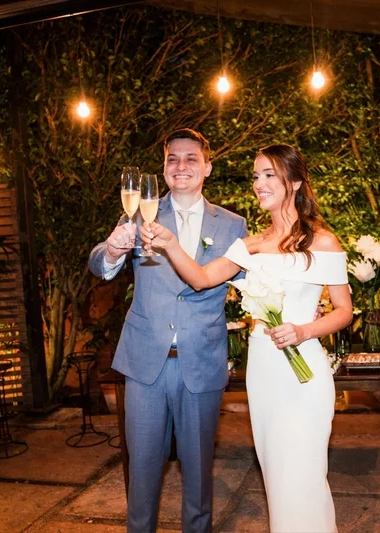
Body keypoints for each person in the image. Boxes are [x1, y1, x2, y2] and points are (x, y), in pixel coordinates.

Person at [141, 144, 353, 533]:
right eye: (256, 176)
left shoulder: (323, 242)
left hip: (304, 373)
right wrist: (171, 244)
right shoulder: (251, 244)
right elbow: (202, 278)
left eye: (269, 174)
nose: (259, 184)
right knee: (276, 477)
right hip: (264, 371)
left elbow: (344, 311)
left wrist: (304, 329)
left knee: (303, 475)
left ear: (295, 182)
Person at [88, 128, 249, 533]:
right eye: (172, 159)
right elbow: (99, 264)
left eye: (191, 158)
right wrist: (111, 249)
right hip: (145, 364)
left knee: (198, 476)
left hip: (201, 361)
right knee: (141, 474)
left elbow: (254, 282)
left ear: (207, 167)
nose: (181, 166)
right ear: (163, 168)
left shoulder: (232, 224)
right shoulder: (140, 213)